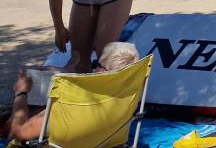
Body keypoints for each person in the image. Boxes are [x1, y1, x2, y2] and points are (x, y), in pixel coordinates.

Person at [3, 42, 140, 143]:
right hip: (104, 140)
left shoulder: (69, 106)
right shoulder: (129, 95)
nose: (94, 67)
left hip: (69, 132)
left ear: (102, 71)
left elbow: (19, 133)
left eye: (96, 64)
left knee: (23, 111)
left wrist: (21, 93)